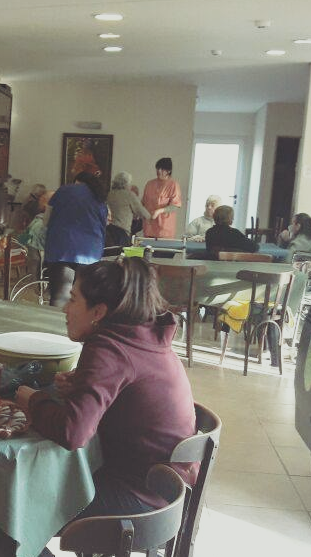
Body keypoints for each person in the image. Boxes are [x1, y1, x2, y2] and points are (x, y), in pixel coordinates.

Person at [15, 258, 196, 521]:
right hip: (170, 489)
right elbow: (131, 389)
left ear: (98, 312)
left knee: (16, 510)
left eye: (73, 300)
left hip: (143, 499)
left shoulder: (108, 348)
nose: (65, 309)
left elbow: (72, 433)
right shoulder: (143, 335)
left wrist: (34, 401)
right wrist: (83, 385)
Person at [43, 169, 108, 307]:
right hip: (90, 252)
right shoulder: (99, 197)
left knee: (60, 296)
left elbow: (46, 220)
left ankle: (55, 320)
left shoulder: (63, 190)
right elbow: (104, 225)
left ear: (77, 181)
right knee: (83, 297)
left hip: (61, 248)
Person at [105, 171, 150, 247]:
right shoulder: (129, 195)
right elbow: (145, 214)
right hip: (122, 232)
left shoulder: (110, 194)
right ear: (126, 183)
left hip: (108, 231)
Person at [141, 157, 182, 238]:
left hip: (164, 229)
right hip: (149, 227)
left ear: (169, 171)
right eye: (158, 168)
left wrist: (159, 211)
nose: (159, 171)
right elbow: (143, 203)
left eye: (162, 169)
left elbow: (175, 206)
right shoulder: (149, 184)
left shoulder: (173, 185)